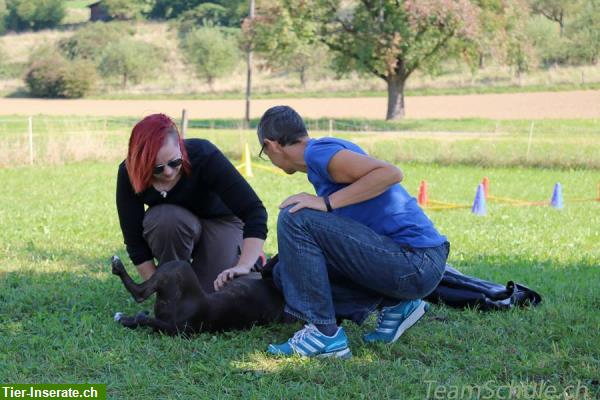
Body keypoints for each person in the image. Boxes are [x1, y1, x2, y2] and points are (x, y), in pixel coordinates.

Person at [255, 105, 449, 358]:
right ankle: (395, 304)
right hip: (407, 263)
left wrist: (327, 203)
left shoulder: (319, 153)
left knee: (295, 216)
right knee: (285, 273)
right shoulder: (320, 159)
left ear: (271, 145)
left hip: (415, 262)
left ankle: (323, 334)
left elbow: (390, 173)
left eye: (264, 152)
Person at [116, 113, 267, 293]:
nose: (169, 172)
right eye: (157, 168)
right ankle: (173, 279)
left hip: (221, 221)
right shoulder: (129, 173)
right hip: (174, 224)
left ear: (180, 147)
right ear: (140, 162)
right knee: (164, 219)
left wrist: (244, 265)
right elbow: (134, 241)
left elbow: (254, 211)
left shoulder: (203, 154)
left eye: (175, 162)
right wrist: (157, 285)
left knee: (211, 295)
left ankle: (253, 260)